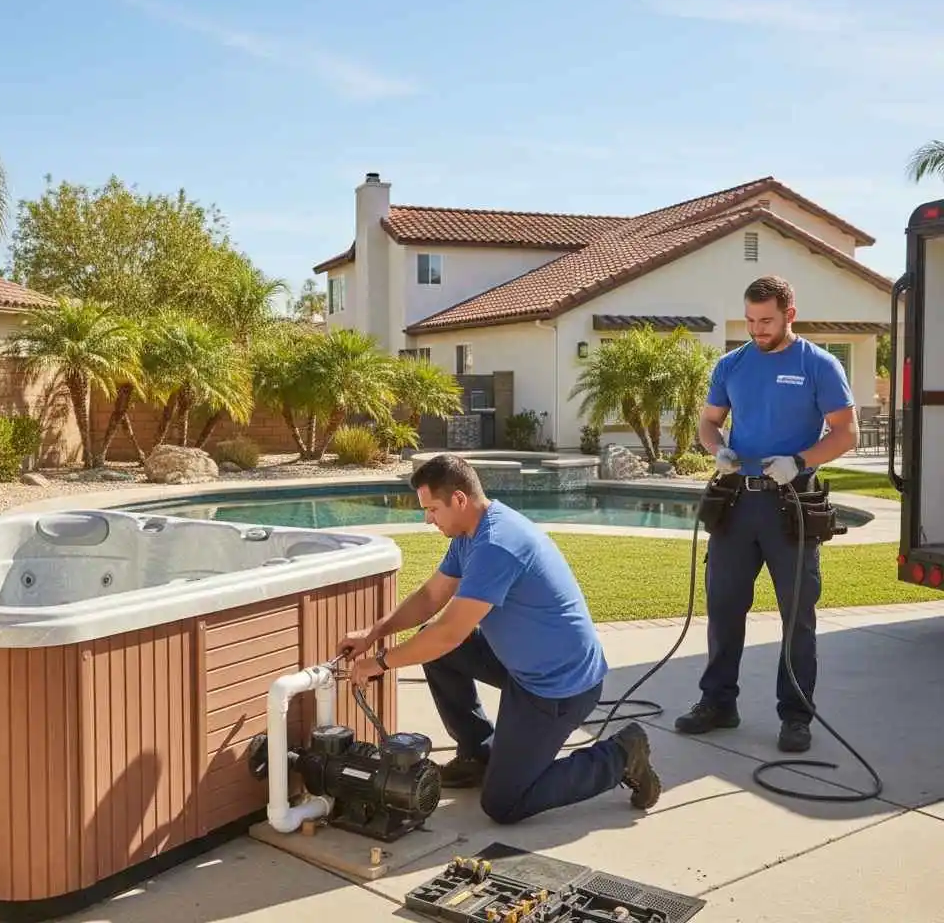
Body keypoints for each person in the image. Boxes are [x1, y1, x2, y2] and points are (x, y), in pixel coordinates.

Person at [337, 453, 660, 825]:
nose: (428, 519)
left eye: (432, 509)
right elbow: (430, 597)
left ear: (459, 499)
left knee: (504, 802)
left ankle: (622, 755)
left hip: (558, 686)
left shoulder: (497, 544)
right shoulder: (470, 535)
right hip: (522, 664)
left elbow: (449, 634)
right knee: (435, 649)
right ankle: (477, 754)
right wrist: (374, 633)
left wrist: (380, 662)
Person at [674, 275, 858, 753]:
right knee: (723, 608)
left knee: (797, 616)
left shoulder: (819, 365)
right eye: (751, 320)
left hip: (791, 504)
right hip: (737, 503)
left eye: (766, 321)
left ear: (789, 315)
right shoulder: (732, 364)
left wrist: (799, 461)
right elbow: (709, 422)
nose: (757, 329)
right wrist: (717, 449)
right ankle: (718, 703)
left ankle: (795, 716)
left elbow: (846, 432)